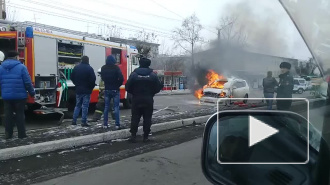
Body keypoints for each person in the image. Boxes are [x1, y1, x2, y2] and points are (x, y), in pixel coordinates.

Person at [125, 57, 163, 143]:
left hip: (136, 99)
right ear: (148, 64)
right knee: (147, 118)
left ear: (140, 64)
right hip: (148, 99)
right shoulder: (153, 75)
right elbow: (158, 87)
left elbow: (127, 87)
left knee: (135, 117)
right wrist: (151, 93)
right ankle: (145, 137)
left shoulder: (134, 74)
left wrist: (134, 93)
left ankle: (133, 136)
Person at [0, 51, 35, 139]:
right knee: (20, 115)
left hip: (6, 97)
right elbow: (27, 82)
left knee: (8, 115)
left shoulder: (1, 67)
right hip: (20, 96)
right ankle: (21, 135)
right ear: (16, 57)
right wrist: (32, 92)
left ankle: (8, 134)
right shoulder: (22, 67)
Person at [71, 56, 96, 127]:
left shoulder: (76, 67)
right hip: (87, 90)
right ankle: (83, 122)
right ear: (88, 61)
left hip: (78, 89)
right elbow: (93, 79)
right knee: (85, 106)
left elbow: (72, 77)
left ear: (81, 60)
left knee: (77, 105)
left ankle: (74, 120)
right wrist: (91, 87)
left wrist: (76, 84)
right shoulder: (89, 68)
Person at [101, 55, 124, 129]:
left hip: (107, 89)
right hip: (115, 89)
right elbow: (121, 78)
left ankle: (105, 124)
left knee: (106, 107)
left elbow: (103, 78)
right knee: (116, 107)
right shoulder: (116, 68)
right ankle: (117, 124)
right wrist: (117, 85)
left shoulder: (103, 68)